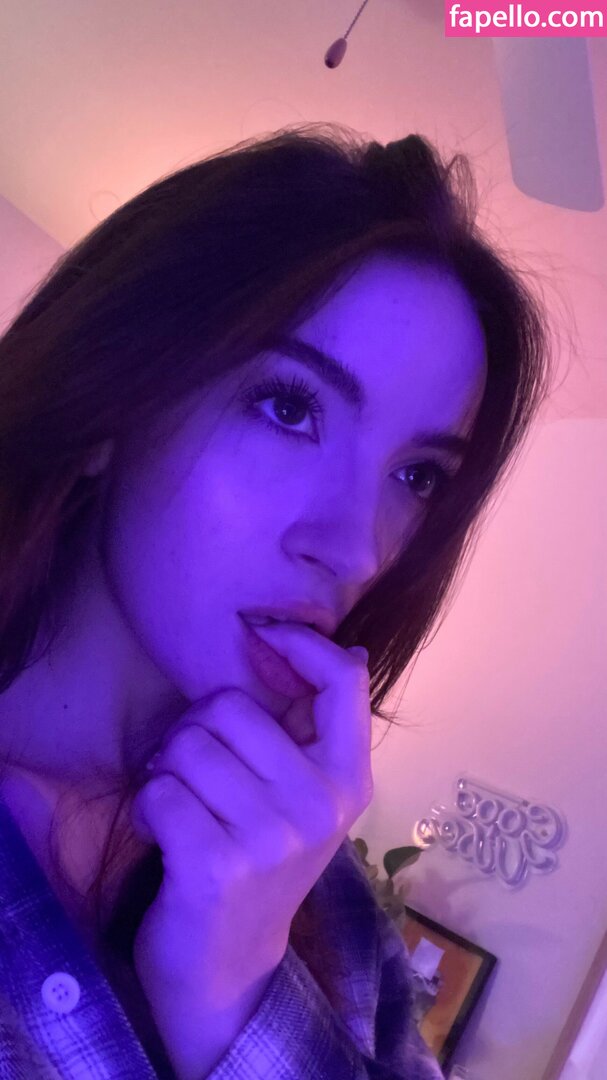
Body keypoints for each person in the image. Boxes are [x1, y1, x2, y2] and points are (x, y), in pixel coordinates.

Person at [0, 122, 552, 1079]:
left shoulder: (318, 891)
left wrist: (238, 991)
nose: (357, 546)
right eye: (289, 408)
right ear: (108, 409)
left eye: (416, 476)